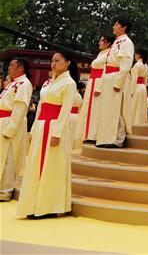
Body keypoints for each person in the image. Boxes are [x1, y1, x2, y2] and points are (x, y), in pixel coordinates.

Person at [16, 51, 78, 219]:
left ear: (67, 63)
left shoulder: (69, 83)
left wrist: (57, 133)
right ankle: (33, 204)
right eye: (52, 61)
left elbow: (65, 110)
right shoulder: (48, 82)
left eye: (57, 61)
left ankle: (48, 206)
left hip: (55, 127)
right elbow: (41, 106)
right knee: (36, 165)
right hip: (42, 125)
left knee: (52, 166)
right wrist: (34, 128)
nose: (53, 63)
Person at [96, 17, 135, 149]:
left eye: (117, 24)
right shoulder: (116, 42)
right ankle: (107, 137)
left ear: (124, 27)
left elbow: (125, 63)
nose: (114, 26)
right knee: (108, 110)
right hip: (109, 76)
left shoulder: (126, 42)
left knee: (117, 109)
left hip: (117, 76)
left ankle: (118, 139)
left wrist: (118, 83)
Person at [0, 57, 34, 202]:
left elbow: (20, 108)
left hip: (10, 122)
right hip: (3, 120)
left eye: (12, 65)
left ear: (20, 68)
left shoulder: (24, 84)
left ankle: (5, 191)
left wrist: (11, 129)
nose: (9, 67)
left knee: (9, 157)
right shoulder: (13, 83)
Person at [80, 34, 114, 144]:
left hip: (100, 81)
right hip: (92, 81)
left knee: (96, 109)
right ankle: (87, 133)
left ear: (108, 43)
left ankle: (94, 135)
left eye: (102, 41)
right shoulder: (101, 53)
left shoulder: (110, 53)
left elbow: (105, 70)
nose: (99, 42)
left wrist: (99, 87)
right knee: (88, 108)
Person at [129, 49, 148, 126]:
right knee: (141, 107)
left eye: (135, 55)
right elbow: (146, 79)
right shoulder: (145, 65)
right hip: (143, 88)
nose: (135, 56)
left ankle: (133, 124)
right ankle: (141, 123)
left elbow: (134, 79)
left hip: (137, 87)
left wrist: (131, 91)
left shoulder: (137, 65)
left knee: (134, 106)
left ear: (139, 55)